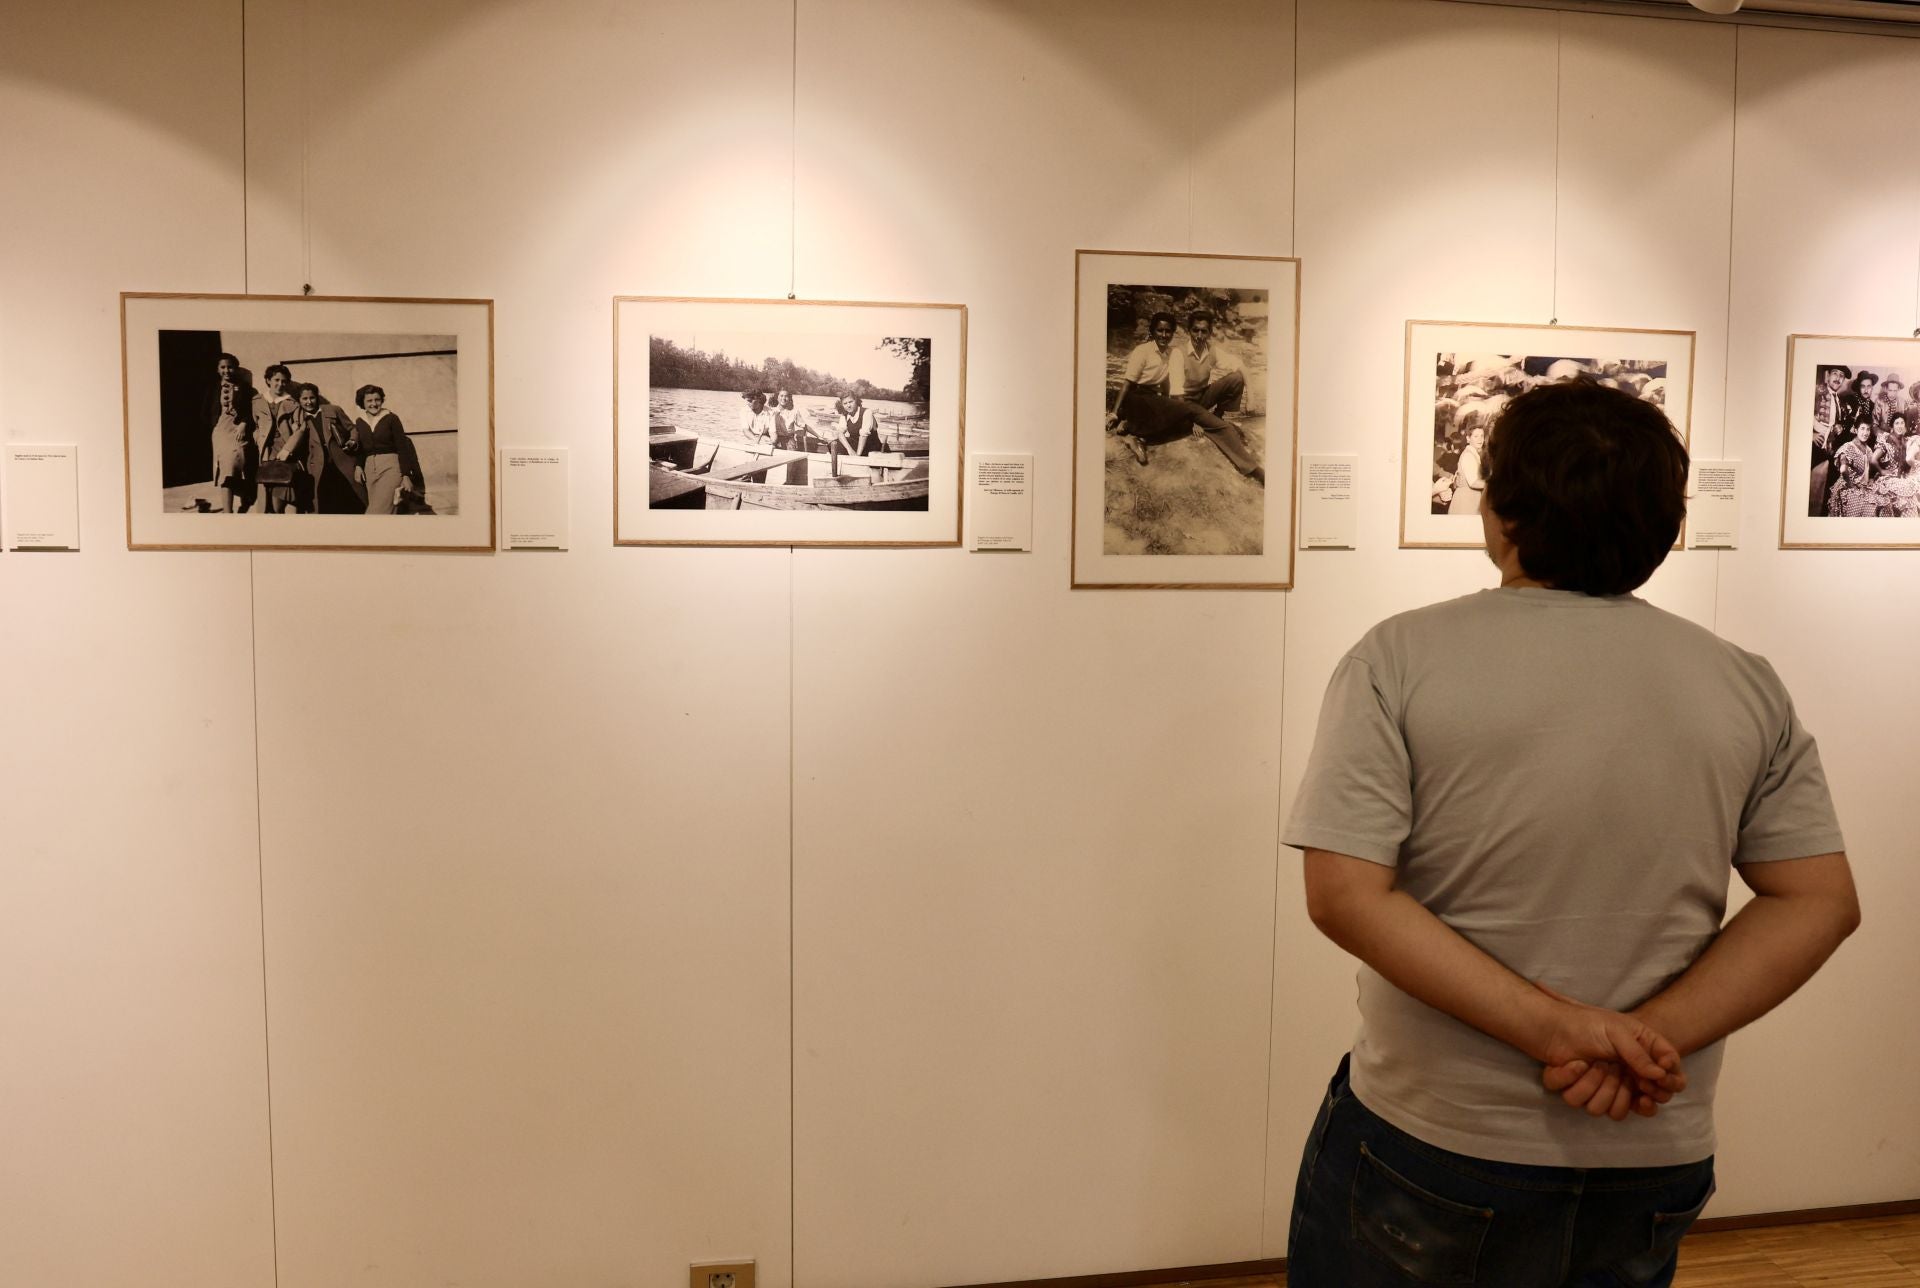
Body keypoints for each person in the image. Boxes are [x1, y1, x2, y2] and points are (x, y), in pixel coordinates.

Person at [1283, 378, 1857, 1287]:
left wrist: (1558, 1032)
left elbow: (1345, 894)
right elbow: (1818, 900)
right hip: (1651, 1140)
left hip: (1437, 1135)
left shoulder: (1396, 658)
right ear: (1665, 530)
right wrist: (1646, 1040)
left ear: (1502, 511)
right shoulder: (1743, 682)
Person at [1171, 310, 1264, 481]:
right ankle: (1252, 469)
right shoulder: (1179, 353)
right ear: (1189, 330)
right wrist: (1191, 421)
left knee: (1236, 378)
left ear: (1210, 332)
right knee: (1226, 429)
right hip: (1183, 403)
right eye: (1195, 330)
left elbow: (1242, 367)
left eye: (1204, 331)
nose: (1199, 335)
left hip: (1201, 398)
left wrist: (1251, 397)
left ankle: (1216, 416)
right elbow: (1176, 395)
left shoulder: (1211, 350)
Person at [350, 383, 425, 514]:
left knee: (376, 512)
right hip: (369, 471)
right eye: (369, 400)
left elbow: (403, 447)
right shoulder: (360, 421)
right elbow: (361, 449)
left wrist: (406, 475)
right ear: (362, 402)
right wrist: (358, 466)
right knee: (386, 510)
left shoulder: (391, 418)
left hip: (391, 468)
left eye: (377, 400)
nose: (374, 403)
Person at [295, 383, 367, 514]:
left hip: (342, 461)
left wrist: (352, 440)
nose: (309, 402)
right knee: (325, 503)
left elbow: (352, 428)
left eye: (312, 398)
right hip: (318, 466)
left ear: (317, 397)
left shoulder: (333, 410)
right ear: (299, 400)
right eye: (304, 399)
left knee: (352, 500)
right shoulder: (298, 418)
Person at [254, 363, 305, 513]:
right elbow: (255, 426)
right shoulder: (257, 401)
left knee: (285, 490)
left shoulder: (292, 403)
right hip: (266, 452)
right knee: (267, 487)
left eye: (283, 381)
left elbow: (301, 429)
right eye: (276, 380)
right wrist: (258, 438)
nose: (280, 384)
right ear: (268, 380)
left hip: (284, 451)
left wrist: (288, 449)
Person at [209, 377, 254, 513]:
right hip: (221, 431)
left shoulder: (243, 386)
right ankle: (228, 512)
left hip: (237, 430)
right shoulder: (214, 386)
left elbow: (250, 408)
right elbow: (206, 408)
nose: (226, 370)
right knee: (225, 470)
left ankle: (246, 499)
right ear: (218, 370)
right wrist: (214, 422)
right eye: (223, 367)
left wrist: (244, 423)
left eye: (230, 367)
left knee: (235, 465)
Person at [1827, 420, 1880, 518]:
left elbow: (1871, 470)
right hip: (1848, 487)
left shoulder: (1868, 450)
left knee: (1878, 503)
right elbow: (1843, 469)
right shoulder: (1848, 447)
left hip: (1863, 487)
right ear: (1856, 430)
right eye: (1862, 429)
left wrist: (1871, 479)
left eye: (1868, 429)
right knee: (1861, 507)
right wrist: (1851, 486)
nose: (1865, 432)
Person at [1446, 422, 1486, 515]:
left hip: (1470, 500)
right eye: (1476, 436)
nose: (1480, 439)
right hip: (1466, 503)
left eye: (1482, 436)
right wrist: (1494, 484)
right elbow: (1473, 483)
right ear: (1468, 438)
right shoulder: (1469, 455)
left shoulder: (1474, 454)